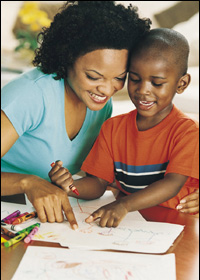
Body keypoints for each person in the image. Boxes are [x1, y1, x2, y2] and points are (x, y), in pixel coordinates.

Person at [1, 1, 151, 228]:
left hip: (35, 216)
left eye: (119, 78)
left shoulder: (100, 105)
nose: (106, 89)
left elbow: (98, 179)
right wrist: (27, 183)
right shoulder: (30, 95)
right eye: (93, 76)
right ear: (67, 58)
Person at [49, 28, 199, 227]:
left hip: (177, 222)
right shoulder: (112, 128)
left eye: (157, 83)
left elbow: (171, 184)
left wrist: (124, 205)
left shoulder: (186, 131)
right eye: (135, 79)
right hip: (132, 223)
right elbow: (98, 183)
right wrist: (70, 186)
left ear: (181, 84)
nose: (143, 90)